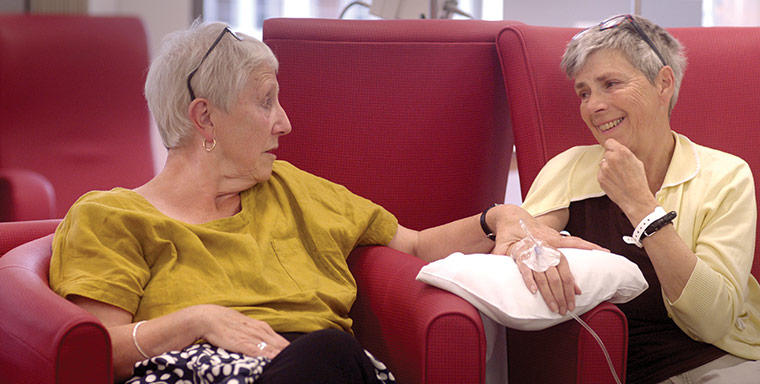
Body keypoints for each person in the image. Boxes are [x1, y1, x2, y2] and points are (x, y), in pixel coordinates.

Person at [48, 21, 594, 384]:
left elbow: (418, 244)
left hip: (323, 370)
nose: (285, 122)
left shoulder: (291, 189)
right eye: (266, 103)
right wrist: (196, 321)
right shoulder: (109, 216)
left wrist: (500, 217)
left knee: (330, 358)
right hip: (199, 373)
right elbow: (94, 350)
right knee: (331, 355)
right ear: (204, 118)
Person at [519, 14, 760, 384]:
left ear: (663, 83)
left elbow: (712, 320)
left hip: (723, 361)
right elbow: (520, 248)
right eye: (584, 92)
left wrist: (641, 207)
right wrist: (521, 241)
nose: (593, 106)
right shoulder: (569, 169)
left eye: (611, 84)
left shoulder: (725, 175)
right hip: (607, 367)